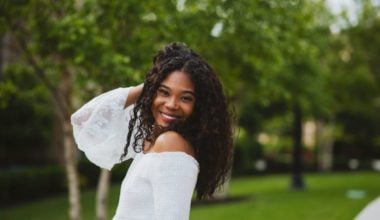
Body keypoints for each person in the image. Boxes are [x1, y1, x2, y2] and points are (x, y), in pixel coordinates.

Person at [71, 42, 233, 220]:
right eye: (164, 92)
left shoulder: (171, 143)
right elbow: (82, 120)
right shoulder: (154, 140)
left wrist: (156, 85)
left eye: (185, 98)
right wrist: (151, 83)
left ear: (198, 106)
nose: (171, 104)